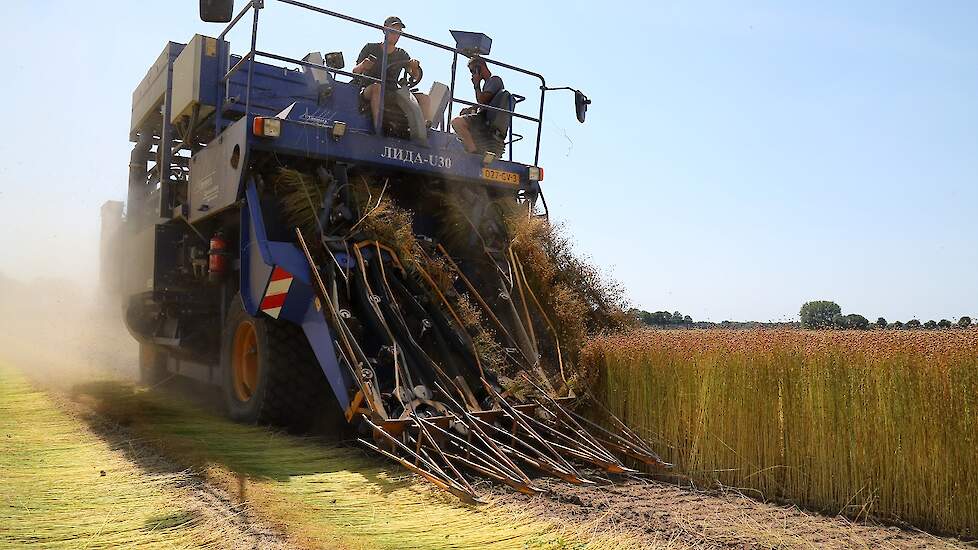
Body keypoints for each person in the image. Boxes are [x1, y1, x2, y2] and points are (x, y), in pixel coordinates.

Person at [352, 16, 431, 126]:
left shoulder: (402, 54)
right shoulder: (370, 48)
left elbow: (414, 76)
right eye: (393, 31)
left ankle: (423, 131)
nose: (396, 35)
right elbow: (355, 72)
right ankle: (378, 127)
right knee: (377, 87)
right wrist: (363, 65)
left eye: (399, 32)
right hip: (369, 88)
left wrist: (414, 67)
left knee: (424, 98)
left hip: (393, 92)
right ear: (384, 29)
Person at [451, 56, 507, 154]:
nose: (472, 74)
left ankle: (473, 152)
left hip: (486, 120)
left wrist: (476, 85)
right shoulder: (488, 84)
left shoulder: (494, 80)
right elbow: (485, 103)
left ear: (480, 67)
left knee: (457, 122)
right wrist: (472, 108)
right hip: (484, 117)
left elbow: (482, 100)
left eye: (473, 70)